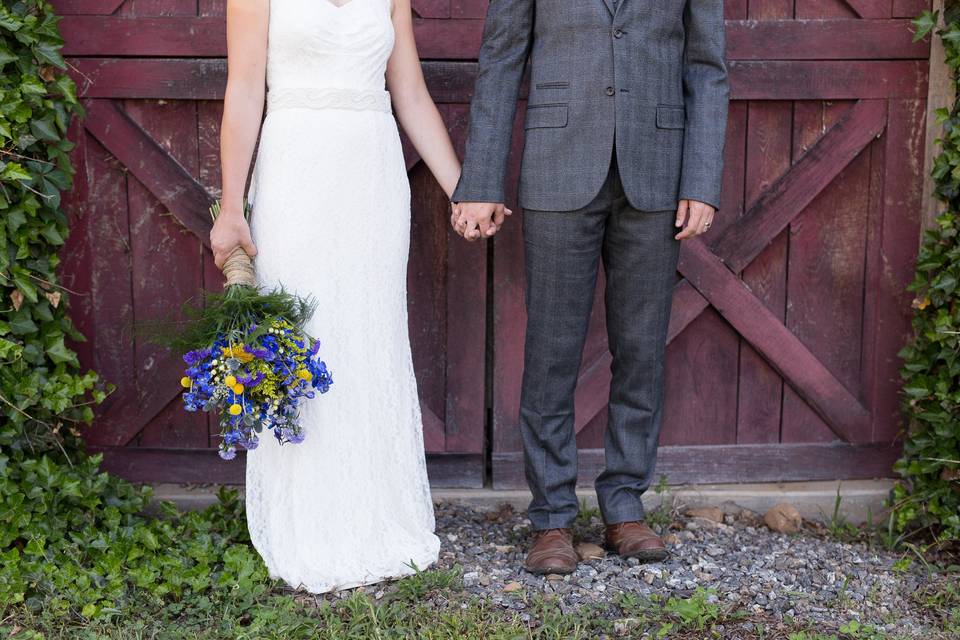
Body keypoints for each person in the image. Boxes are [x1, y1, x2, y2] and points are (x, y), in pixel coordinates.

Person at [211, 0, 491, 593]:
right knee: (304, 335)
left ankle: (378, 516)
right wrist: (232, 205)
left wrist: (461, 190)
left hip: (371, 174)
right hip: (296, 168)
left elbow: (410, 93)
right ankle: (308, 526)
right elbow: (244, 89)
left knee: (369, 336)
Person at [451, 0, 730, 574]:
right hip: (557, 166)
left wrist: (701, 181)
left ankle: (625, 505)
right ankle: (551, 516)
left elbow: (707, 67)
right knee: (551, 351)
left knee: (641, 349)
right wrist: (480, 178)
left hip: (656, 171)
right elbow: (501, 61)